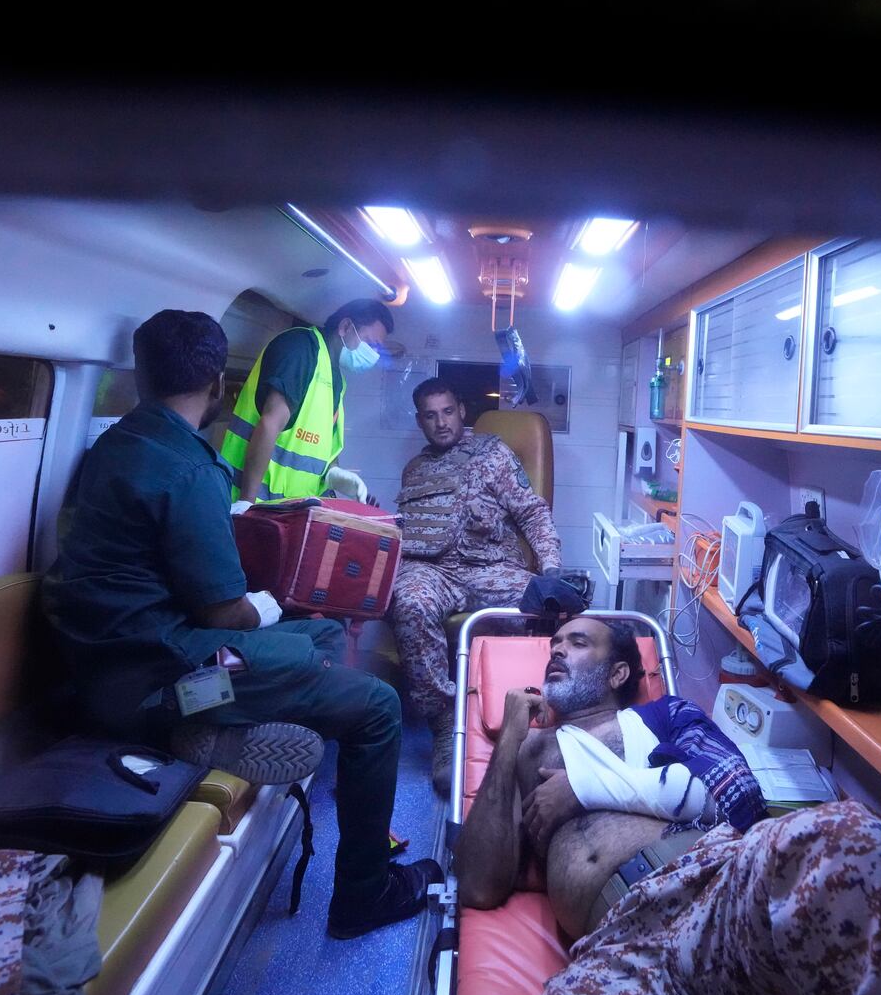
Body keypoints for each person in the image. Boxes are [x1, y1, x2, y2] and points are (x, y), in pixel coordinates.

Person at [43, 309, 440, 939]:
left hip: (111, 668)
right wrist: (271, 603)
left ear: (141, 376)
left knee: (323, 637)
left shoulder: (113, 447)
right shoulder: (191, 469)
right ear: (220, 387)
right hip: (171, 685)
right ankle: (364, 893)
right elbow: (224, 611)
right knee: (376, 704)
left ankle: (241, 713)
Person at [452, 616, 881, 995]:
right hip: (623, 943)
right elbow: (479, 883)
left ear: (619, 672)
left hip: (714, 886)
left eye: (578, 642)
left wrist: (586, 789)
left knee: (854, 836)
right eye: (554, 644)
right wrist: (511, 736)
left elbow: (737, 796)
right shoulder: (530, 753)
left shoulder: (665, 715)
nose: (557, 649)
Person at [389, 377, 562, 791]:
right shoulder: (414, 469)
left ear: (461, 411)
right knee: (409, 604)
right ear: (420, 421)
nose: (441, 422)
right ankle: (445, 727)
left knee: (547, 606)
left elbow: (532, 514)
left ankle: (544, 721)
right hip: (431, 570)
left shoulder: (493, 454)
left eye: (447, 411)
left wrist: (552, 569)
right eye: (430, 416)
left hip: (490, 565)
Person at [220, 299, 392, 506]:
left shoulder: (336, 379)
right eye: (370, 344)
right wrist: (246, 501)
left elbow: (322, 452)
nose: (372, 355)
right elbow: (270, 423)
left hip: (292, 511)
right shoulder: (301, 347)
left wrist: (336, 474)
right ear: (346, 327)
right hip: (254, 506)